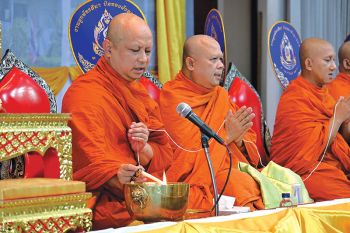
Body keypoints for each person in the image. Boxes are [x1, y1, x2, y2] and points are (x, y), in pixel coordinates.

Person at [62, 13, 173, 230]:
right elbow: (89, 161)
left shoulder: (141, 95)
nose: (143, 59)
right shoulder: (84, 94)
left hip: (145, 192)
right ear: (108, 49)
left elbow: (166, 153)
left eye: (148, 51)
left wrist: (146, 149)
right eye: (135, 50)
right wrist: (118, 175)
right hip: (107, 200)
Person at [159, 35, 265, 214]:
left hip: (225, 170)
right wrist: (227, 137)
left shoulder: (221, 96)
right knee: (240, 187)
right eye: (214, 59)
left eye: (221, 59)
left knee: (271, 183)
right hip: (195, 182)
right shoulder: (173, 100)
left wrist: (239, 140)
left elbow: (249, 150)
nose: (222, 65)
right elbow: (185, 159)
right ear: (191, 64)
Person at [270, 38, 350, 201]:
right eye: (327, 60)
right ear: (308, 64)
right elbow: (305, 153)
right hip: (302, 173)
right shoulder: (295, 97)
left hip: (330, 166)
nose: (334, 67)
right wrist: (337, 118)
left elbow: (338, 139)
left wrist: (344, 123)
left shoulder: (324, 93)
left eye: (333, 60)